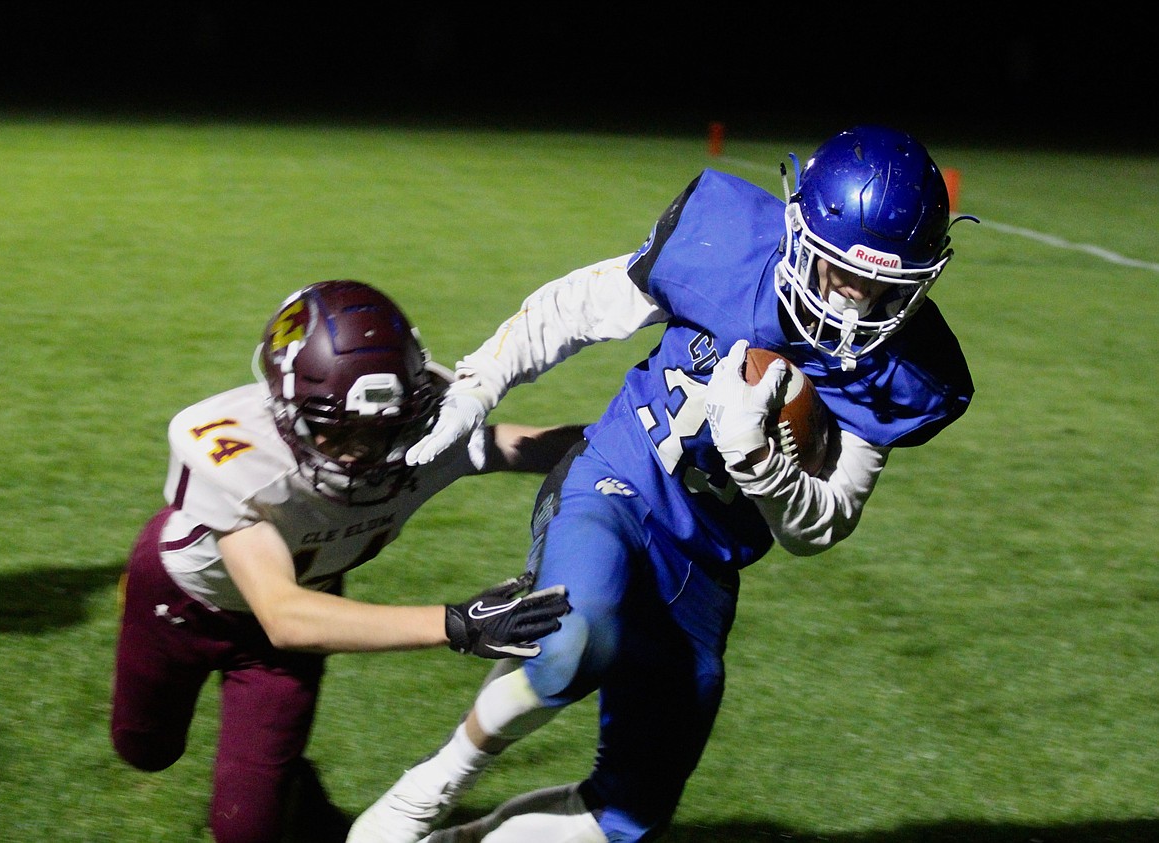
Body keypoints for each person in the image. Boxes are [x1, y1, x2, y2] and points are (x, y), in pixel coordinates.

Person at [347, 125, 977, 843]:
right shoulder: (726, 241)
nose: (853, 306)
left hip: (705, 558)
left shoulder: (910, 370)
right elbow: (575, 308)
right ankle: (427, 792)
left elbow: (822, 524)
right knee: (572, 636)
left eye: (884, 287)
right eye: (841, 272)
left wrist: (764, 468)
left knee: (627, 815)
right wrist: (480, 382)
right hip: (618, 478)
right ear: (797, 230)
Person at [110, 279, 585, 843]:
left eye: (381, 427)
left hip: (305, 613)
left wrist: (632, 444)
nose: (363, 450)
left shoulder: (419, 431)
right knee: (146, 749)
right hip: (185, 602)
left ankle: (286, 787)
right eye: (340, 430)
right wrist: (456, 623)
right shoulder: (241, 455)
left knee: (246, 829)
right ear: (285, 408)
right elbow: (281, 615)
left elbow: (508, 444)